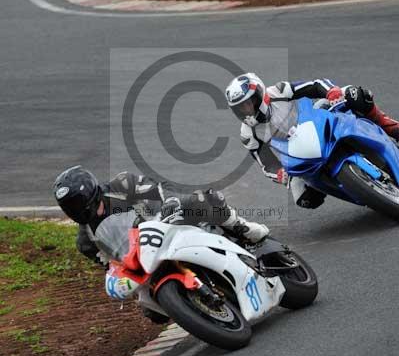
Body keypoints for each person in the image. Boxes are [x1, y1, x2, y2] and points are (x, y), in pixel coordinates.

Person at [53, 166, 270, 310]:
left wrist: (170, 204)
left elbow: (160, 190)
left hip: (165, 218)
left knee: (203, 200)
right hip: (142, 255)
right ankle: (190, 305)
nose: (77, 209)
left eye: (78, 201)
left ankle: (242, 228)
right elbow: (110, 264)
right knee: (152, 313)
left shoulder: (122, 184)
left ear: (91, 191)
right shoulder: (85, 240)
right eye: (70, 206)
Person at [225, 74, 399, 209]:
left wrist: (331, 92)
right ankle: (363, 191)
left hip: (316, 119)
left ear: (260, 95)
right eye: (240, 107)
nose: (245, 110)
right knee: (306, 200)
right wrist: (279, 174)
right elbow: (266, 164)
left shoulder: (278, 91)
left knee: (355, 95)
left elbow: (314, 85)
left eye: (248, 103)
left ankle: (388, 126)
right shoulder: (248, 134)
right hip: (297, 155)